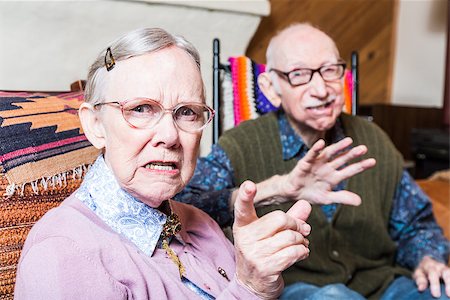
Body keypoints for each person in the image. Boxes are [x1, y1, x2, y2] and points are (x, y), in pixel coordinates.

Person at [14, 27, 317, 299]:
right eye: (142, 108)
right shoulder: (64, 253)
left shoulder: (202, 224)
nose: (170, 136)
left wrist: (265, 280)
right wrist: (249, 290)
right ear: (95, 125)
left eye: (187, 112)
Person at [176, 23, 450, 299]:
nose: (321, 89)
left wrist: (427, 258)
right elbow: (185, 206)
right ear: (271, 88)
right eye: (300, 74)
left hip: (384, 285)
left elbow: (416, 222)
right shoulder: (241, 144)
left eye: (330, 70)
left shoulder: (373, 139)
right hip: (295, 288)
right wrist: (277, 188)